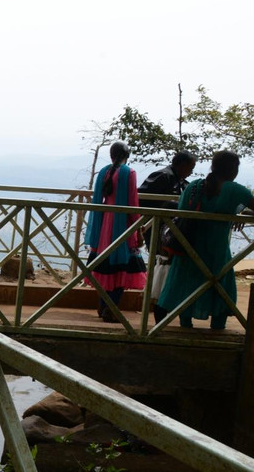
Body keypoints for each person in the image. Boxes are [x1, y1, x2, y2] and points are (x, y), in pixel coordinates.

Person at [158, 150, 253, 330]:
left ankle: (185, 323)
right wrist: (241, 214)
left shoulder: (193, 187)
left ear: (213, 166)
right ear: (234, 169)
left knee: (186, 284)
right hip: (216, 251)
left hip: (189, 250)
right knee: (220, 287)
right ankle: (218, 327)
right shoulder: (235, 190)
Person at [84, 141, 147, 322]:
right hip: (121, 224)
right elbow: (132, 203)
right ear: (127, 156)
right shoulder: (129, 173)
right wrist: (138, 227)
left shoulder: (104, 172)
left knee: (107, 266)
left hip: (105, 223)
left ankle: (104, 305)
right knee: (124, 267)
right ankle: (111, 308)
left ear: (111, 155)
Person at [138, 151, 197, 322]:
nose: (192, 171)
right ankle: (158, 307)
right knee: (162, 265)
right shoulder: (162, 176)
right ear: (181, 164)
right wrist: (169, 205)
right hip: (157, 230)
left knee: (168, 268)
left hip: (171, 233)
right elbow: (142, 198)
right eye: (191, 167)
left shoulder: (180, 181)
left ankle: (165, 308)